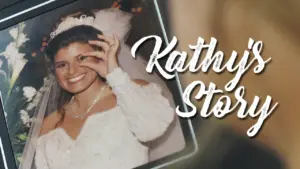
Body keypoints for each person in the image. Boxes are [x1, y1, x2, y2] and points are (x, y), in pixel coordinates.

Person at [33, 9, 175, 169]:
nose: (72, 71)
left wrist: (114, 73)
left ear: (100, 55)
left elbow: (151, 129)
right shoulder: (49, 124)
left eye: (82, 58)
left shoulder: (134, 92)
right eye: (62, 65)